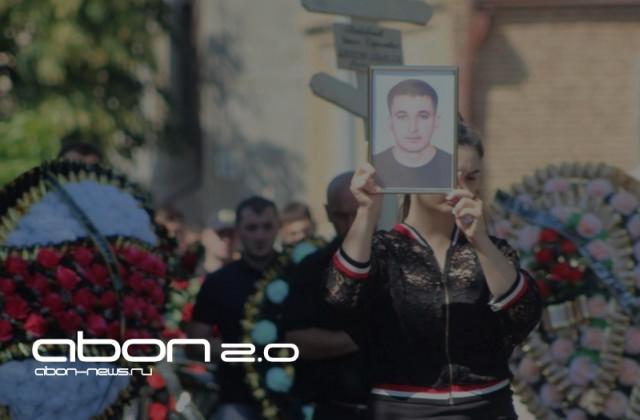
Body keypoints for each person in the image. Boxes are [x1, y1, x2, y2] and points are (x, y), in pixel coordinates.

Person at [326, 122, 542, 419]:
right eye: (448, 176)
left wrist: (480, 241)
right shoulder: (383, 251)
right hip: (401, 409)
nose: (460, 188)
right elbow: (339, 298)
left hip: (487, 408)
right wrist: (367, 211)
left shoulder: (493, 250)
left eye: (471, 177)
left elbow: (525, 316)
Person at [283, 172, 370, 420]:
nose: (351, 223)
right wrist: (365, 337)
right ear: (328, 213)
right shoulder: (312, 269)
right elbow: (297, 340)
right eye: (342, 216)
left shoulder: (396, 262)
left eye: (357, 214)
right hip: (334, 407)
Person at [188, 196, 280, 420]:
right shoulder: (219, 282)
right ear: (239, 231)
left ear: (278, 227)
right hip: (237, 397)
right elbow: (196, 343)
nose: (260, 236)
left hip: (292, 394)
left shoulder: (298, 273)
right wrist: (244, 353)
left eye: (267, 227)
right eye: (252, 228)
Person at [373, 79, 452, 189]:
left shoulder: (453, 165)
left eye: (423, 116)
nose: (412, 128)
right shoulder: (373, 167)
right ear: (390, 122)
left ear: (436, 121)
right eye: (402, 117)